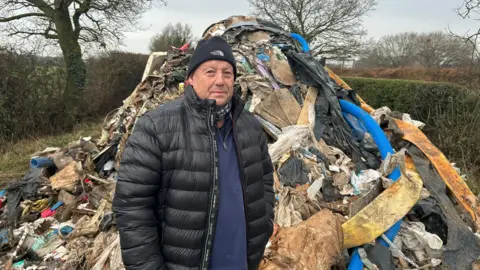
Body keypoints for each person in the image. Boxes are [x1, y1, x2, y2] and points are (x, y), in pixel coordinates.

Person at [113, 36, 275, 270]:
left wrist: (264, 225)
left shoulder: (249, 127)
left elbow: (265, 182)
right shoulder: (156, 127)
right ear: (190, 78)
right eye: (210, 72)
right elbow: (132, 207)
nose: (220, 80)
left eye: (227, 73)